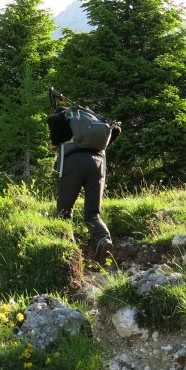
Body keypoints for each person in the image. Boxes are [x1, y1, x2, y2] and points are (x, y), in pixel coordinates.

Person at [47, 106, 122, 264]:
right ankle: (103, 240)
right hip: (98, 165)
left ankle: (69, 254)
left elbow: (53, 120)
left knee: (64, 212)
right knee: (93, 213)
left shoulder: (65, 116)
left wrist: (54, 142)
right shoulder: (93, 119)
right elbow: (116, 129)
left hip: (74, 163)